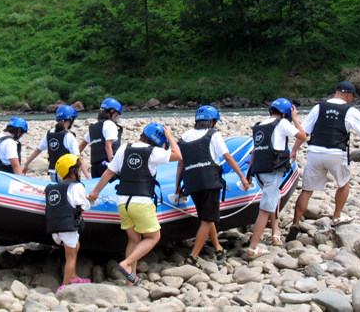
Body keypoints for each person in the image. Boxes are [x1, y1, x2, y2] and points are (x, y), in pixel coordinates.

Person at [286, 81, 360, 242]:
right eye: (352, 97)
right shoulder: (350, 110)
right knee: (343, 183)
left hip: (315, 151)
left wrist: (294, 150)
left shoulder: (318, 107)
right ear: (349, 95)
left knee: (307, 190)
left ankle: (295, 224)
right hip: (336, 153)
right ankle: (336, 217)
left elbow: (304, 132)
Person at [88, 122, 181, 285]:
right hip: (141, 202)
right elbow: (177, 155)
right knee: (153, 237)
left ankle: (132, 279)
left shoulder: (124, 148)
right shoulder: (154, 152)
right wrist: (170, 137)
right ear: (158, 140)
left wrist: (95, 191)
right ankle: (126, 263)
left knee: (133, 240)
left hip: (123, 202)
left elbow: (109, 172)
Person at [175, 105, 249, 269]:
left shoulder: (185, 136)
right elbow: (227, 157)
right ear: (212, 122)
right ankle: (193, 257)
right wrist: (242, 176)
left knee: (205, 219)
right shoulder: (213, 135)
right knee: (208, 219)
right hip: (209, 182)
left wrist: (177, 186)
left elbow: (181, 163)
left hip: (191, 183)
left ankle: (218, 249)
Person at [246, 99, 306, 259]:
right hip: (273, 171)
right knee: (265, 209)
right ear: (285, 113)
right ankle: (253, 247)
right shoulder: (282, 123)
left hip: (259, 171)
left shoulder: (259, 125)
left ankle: (275, 234)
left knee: (273, 200)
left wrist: (249, 174)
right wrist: (295, 119)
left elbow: (254, 152)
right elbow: (303, 136)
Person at [45, 154, 91, 292]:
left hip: (56, 228)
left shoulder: (53, 188)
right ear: (73, 171)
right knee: (71, 256)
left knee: (75, 246)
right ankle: (65, 285)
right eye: (78, 169)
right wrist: (91, 200)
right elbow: (84, 205)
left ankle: (74, 275)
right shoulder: (76, 187)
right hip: (68, 227)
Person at [23, 105, 90, 181]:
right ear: (71, 118)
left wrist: (26, 164)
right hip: (66, 173)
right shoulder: (69, 136)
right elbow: (78, 158)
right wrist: (88, 176)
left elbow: (38, 150)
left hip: (52, 173)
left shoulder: (49, 133)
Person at [79, 98, 123, 178]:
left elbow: (82, 146)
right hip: (106, 165)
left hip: (94, 168)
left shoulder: (93, 126)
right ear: (112, 111)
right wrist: (113, 168)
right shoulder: (110, 124)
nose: (118, 117)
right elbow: (108, 146)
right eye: (118, 114)